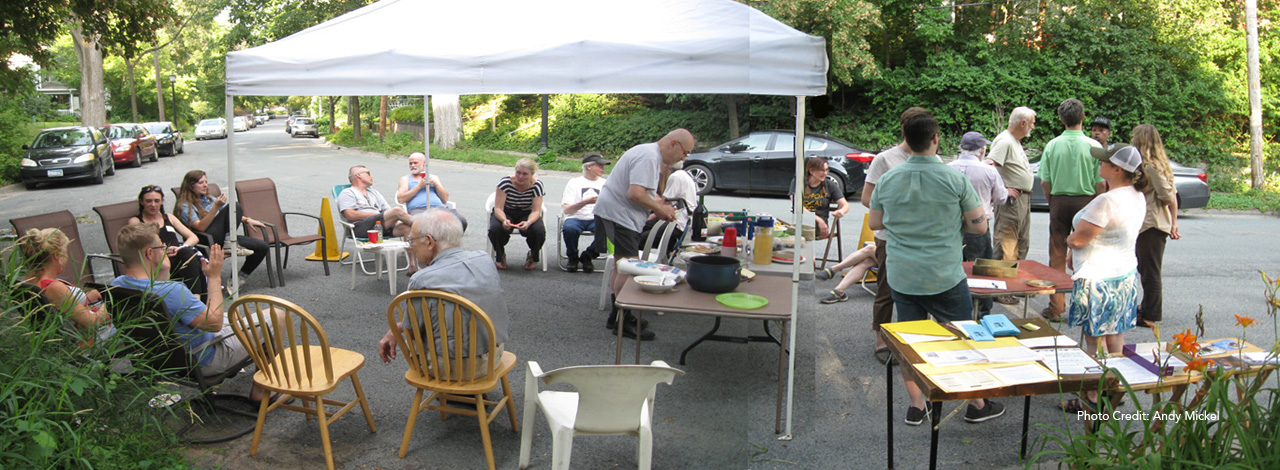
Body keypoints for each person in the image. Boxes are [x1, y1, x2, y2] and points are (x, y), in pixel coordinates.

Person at [869, 108, 1003, 425]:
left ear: (907, 139)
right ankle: (976, 403)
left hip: (903, 276)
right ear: (935, 139)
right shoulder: (954, 179)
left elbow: (876, 221)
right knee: (961, 337)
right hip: (944, 274)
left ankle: (917, 405)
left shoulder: (887, 178)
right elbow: (979, 226)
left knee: (910, 342)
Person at [110, 222, 281, 403]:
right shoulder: (173, 291)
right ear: (150, 253)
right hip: (202, 360)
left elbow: (158, 289)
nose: (165, 249)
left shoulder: (117, 285)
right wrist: (214, 277)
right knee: (276, 316)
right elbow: (213, 324)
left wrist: (164, 268)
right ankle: (262, 392)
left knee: (234, 317)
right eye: (161, 246)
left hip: (157, 359)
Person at [1061, 144, 1148, 413]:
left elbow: (1080, 238)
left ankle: (1090, 396)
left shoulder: (1106, 201)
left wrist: (1069, 241)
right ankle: (1113, 391)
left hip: (1098, 278)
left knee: (1093, 339)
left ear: (1116, 169)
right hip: (1124, 275)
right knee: (1115, 336)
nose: (1099, 165)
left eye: (1104, 162)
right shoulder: (1136, 195)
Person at [378, 209, 510, 377]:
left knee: (419, 336)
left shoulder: (422, 279)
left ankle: (451, 393)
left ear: (429, 242)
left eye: (412, 239)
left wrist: (397, 330)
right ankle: (464, 396)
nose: (410, 245)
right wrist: (400, 326)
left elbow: (413, 332)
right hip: (494, 357)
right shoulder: (484, 259)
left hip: (454, 368)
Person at [593, 128, 695, 341]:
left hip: (617, 214)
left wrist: (655, 203)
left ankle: (616, 316)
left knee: (623, 264)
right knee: (629, 266)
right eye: (685, 152)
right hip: (620, 216)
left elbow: (640, 192)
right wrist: (660, 209)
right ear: (673, 143)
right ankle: (623, 320)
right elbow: (635, 193)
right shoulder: (649, 156)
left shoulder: (650, 154)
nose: (684, 158)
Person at [861, 107, 930, 365]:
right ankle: (881, 338)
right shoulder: (886, 159)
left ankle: (915, 335)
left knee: (919, 288)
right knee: (887, 288)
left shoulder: (930, 158)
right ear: (904, 129)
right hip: (889, 236)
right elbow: (867, 199)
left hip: (921, 236)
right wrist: (899, 212)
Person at [1037, 99, 1105, 321]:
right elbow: (1100, 183)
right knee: (1085, 253)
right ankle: (1084, 305)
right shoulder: (1093, 146)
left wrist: (1051, 201)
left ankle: (1056, 307)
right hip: (1086, 202)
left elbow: (1044, 181)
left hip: (1059, 200)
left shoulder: (1053, 145)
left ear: (1061, 119)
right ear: (1083, 117)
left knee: (1056, 253)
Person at [14, 228, 116, 344]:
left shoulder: (30, 280)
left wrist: (86, 297)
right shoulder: (53, 287)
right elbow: (92, 323)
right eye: (65, 253)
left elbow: (62, 305)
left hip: (65, 336)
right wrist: (109, 305)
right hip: (84, 341)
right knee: (130, 323)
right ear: (56, 256)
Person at [174, 170, 270, 289]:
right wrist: (215, 207)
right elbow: (200, 227)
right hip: (203, 240)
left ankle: (237, 279)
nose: (205, 185)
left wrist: (247, 219)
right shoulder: (184, 205)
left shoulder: (209, 198)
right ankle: (229, 244)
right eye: (200, 182)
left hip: (222, 238)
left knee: (262, 247)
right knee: (234, 206)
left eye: (206, 182)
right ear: (190, 185)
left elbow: (230, 212)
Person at [948, 131, 1007, 316]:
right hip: (979, 224)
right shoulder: (989, 170)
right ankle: (981, 310)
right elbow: (1001, 198)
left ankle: (953, 306)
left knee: (953, 265)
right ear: (982, 150)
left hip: (951, 225)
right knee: (979, 269)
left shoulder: (948, 168)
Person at [1130, 125, 1180, 329]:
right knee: (1145, 268)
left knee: (1150, 271)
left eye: (1134, 137)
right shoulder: (1154, 165)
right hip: (1149, 223)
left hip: (1152, 224)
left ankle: (1150, 314)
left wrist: (1174, 223)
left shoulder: (1151, 167)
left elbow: (1169, 196)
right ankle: (1146, 306)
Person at [986, 107, 1037, 305]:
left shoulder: (1013, 141)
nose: (1033, 127)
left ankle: (1013, 285)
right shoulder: (1005, 140)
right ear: (1023, 123)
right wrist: (1003, 189)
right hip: (1011, 202)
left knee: (1021, 243)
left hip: (1022, 199)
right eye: (1032, 123)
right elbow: (989, 165)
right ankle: (1000, 289)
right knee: (1006, 244)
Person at [130, 185, 208, 298]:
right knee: (191, 257)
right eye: (148, 201)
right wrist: (161, 251)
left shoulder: (169, 218)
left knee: (188, 254)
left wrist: (180, 247)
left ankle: (195, 299)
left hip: (178, 257)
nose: (153, 205)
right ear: (141, 202)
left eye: (157, 201)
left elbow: (193, 237)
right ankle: (197, 301)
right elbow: (138, 245)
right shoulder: (136, 221)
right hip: (157, 261)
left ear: (162, 201)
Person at [489, 158, 546, 271]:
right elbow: (498, 207)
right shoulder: (505, 183)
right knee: (495, 229)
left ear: (531, 174)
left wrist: (528, 222)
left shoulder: (537, 185)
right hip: (507, 211)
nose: (520, 177)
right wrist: (504, 220)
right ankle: (500, 255)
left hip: (527, 213)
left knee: (539, 230)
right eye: (518, 173)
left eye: (525, 174)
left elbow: (536, 210)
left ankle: (533, 255)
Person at [560, 152, 609, 273]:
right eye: (600, 165)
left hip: (596, 217)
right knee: (570, 229)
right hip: (575, 217)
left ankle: (588, 256)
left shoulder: (605, 183)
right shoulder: (574, 183)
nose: (603, 168)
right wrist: (585, 202)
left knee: (609, 231)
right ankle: (573, 257)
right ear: (589, 167)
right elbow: (567, 209)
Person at [339, 165, 415, 239]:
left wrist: (384, 217)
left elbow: (387, 210)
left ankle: (413, 251)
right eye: (368, 173)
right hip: (360, 227)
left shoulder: (374, 192)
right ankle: (423, 226)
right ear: (359, 175)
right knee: (397, 210)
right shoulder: (348, 192)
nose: (371, 176)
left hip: (380, 225)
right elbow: (350, 215)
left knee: (407, 229)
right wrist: (374, 215)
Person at [395, 152, 467, 230]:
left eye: (415, 163)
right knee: (427, 224)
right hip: (419, 209)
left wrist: (436, 184)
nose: (412, 166)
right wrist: (419, 186)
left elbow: (445, 198)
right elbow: (401, 199)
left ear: (424, 163)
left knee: (461, 221)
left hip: (438, 208)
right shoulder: (406, 179)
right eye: (410, 163)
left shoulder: (433, 177)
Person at [789, 156, 849, 240]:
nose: (825, 173)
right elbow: (797, 205)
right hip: (801, 222)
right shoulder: (798, 182)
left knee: (801, 235)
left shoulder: (830, 185)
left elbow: (845, 204)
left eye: (826, 170)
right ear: (811, 170)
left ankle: (804, 253)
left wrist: (841, 211)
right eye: (822, 170)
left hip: (818, 228)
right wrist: (818, 219)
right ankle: (804, 253)